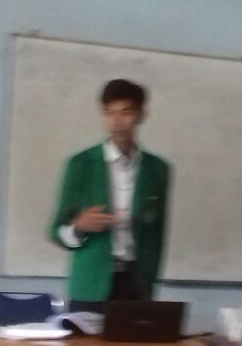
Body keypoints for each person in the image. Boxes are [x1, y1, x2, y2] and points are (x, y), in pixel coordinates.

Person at [49, 79, 171, 302]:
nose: (116, 121)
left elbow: (157, 234)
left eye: (125, 112)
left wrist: (150, 281)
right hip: (90, 284)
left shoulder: (157, 169)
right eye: (109, 112)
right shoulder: (81, 164)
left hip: (137, 284)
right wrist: (79, 227)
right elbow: (56, 231)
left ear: (141, 115)